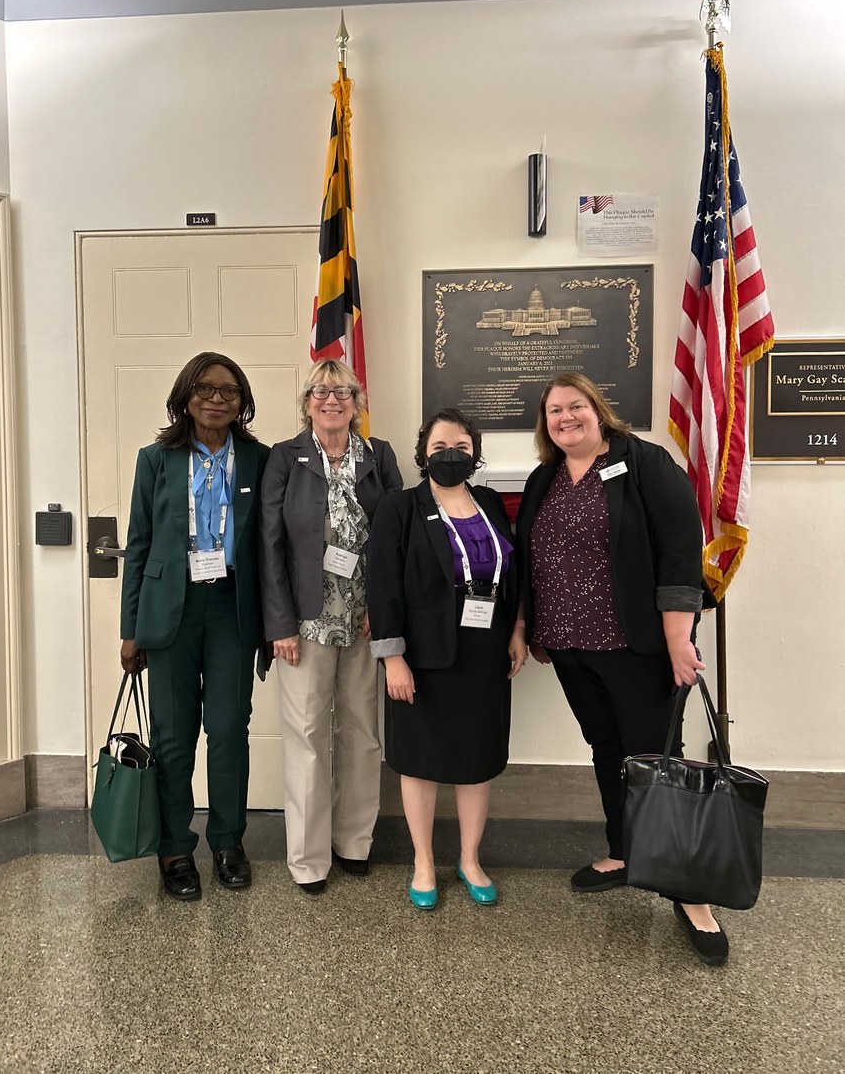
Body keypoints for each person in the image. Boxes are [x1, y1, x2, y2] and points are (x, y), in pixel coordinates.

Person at [514, 372, 728, 965]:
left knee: (658, 759)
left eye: (575, 406)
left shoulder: (644, 462)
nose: (565, 418)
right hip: (569, 645)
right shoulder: (544, 478)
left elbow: (682, 547)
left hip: (637, 644)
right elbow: (528, 558)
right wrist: (526, 626)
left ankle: (691, 893)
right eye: (554, 411)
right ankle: (625, 850)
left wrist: (678, 635)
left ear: (597, 409)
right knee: (606, 748)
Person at [120, 352, 268, 902]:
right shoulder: (155, 459)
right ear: (185, 395)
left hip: (232, 608)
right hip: (170, 613)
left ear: (242, 402)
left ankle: (228, 842)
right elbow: (138, 546)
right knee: (174, 738)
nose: (216, 398)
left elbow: (268, 548)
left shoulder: (259, 459)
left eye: (229, 391)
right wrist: (129, 629)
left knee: (229, 729)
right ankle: (175, 849)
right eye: (205, 388)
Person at [366, 408, 527, 910]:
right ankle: (422, 862)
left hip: (485, 653)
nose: (450, 455)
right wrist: (392, 658)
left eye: (460, 446)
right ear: (423, 454)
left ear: (475, 453)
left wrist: (518, 629)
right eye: (439, 448)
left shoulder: (491, 503)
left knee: (476, 762)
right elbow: (383, 584)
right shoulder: (401, 507)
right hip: (422, 656)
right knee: (421, 762)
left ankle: (470, 858)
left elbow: (514, 571)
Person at [260, 359, 403, 894]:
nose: (332, 399)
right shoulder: (285, 459)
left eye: (342, 390)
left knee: (363, 735)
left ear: (356, 401)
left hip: (366, 621)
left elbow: (395, 537)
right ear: (307, 403)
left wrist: (385, 609)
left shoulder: (379, 456)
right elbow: (270, 545)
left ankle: (354, 842)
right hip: (305, 621)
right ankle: (308, 858)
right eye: (321, 391)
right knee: (308, 739)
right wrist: (280, 624)